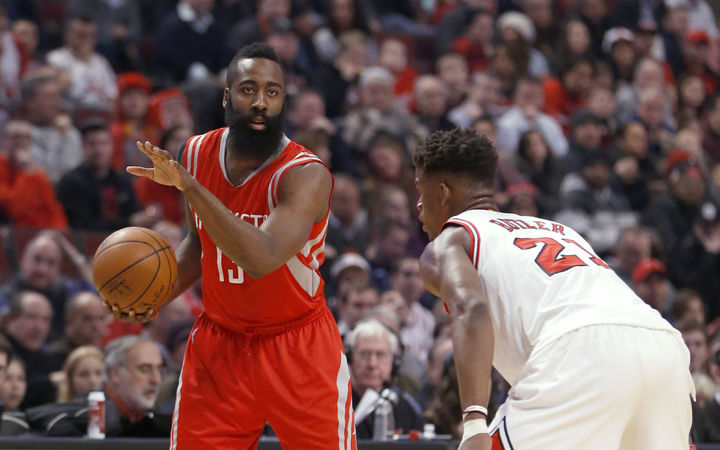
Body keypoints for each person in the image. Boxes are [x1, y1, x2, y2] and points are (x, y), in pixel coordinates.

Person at [107, 42, 356, 449]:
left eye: (272, 92)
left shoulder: (305, 175)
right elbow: (198, 244)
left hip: (297, 347)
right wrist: (152, 298)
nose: (260, 102)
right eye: (248, 89)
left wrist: (191, 187)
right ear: (226, 96)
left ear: (283, 101)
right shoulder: (195, 153)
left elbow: (261, 257)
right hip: (220, 344)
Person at [413, 127, 694, 449]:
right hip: (664, 348)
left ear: (443, 192)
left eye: (420, 189)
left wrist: (474, 422)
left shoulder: (451, 239)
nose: (419, 204)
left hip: (579, 353)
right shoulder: (560, 230)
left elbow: (471, 308)